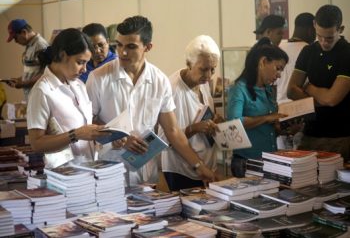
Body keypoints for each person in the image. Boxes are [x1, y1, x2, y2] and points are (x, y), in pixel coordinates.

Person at [86, 16, 216, 186]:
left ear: (148, 47)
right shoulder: (97, 78)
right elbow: (87, 122)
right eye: (119, 45)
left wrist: (199, 166)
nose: (122, 52)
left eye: (131, 47)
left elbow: (173, 131)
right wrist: (116, 135)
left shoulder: (159, 81)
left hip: (146, 174)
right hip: (110, 172)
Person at [26, 28, 108, 165]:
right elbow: (36, 143)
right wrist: (76, 134)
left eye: (87, 63)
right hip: (64, 174)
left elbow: (85, 126)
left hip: (89, 167)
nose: (85, 69)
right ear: (63, 55)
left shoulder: (79, 85)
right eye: (80, 62)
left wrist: (107, 135)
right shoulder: (42, 91)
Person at [287, 5, 350, 161]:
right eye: (319, 36)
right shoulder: (308, 51)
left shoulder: (347, 53)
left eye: (329, 38)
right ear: (314, 25)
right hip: (309, 133)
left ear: (340, 29)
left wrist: (309, 87)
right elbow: (291, 90)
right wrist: (321, 99)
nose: (324, 42)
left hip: (340, 136)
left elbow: (332, 99)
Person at [160, 35, 222, 191]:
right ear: (188, 64)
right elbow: (164, 140)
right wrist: (195, 128)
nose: (209, 75)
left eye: (213, 69)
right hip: (182, 170)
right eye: (203, 69)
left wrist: (214, 120)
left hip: (205, 165)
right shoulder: (172, 90)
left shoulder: (203, 83)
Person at [227, 37, 288, 177]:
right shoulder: (239, 88)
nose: (279, 75)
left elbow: (268, 130)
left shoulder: (268, 90)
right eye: (278, 68)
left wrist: (284, 128)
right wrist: (267, 118)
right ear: (263, 62)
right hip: (247, 162)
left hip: (270, 159)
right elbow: (234, 124)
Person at [275, 12, 315, 149]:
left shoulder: (278, 49)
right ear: (311, 29)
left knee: (280, 163)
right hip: (299, 117)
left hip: (277, 116)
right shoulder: (310, 51)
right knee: (299, 163)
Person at [6, 19, 49, 101]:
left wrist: (24, 83)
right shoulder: (30, 45)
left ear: (24, 32)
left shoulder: (40, 45)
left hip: (40, 97)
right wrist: (20, 79)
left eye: (15, 38)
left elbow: (47, 73)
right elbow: (35, 71)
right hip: (31, 96)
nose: (15, 41)